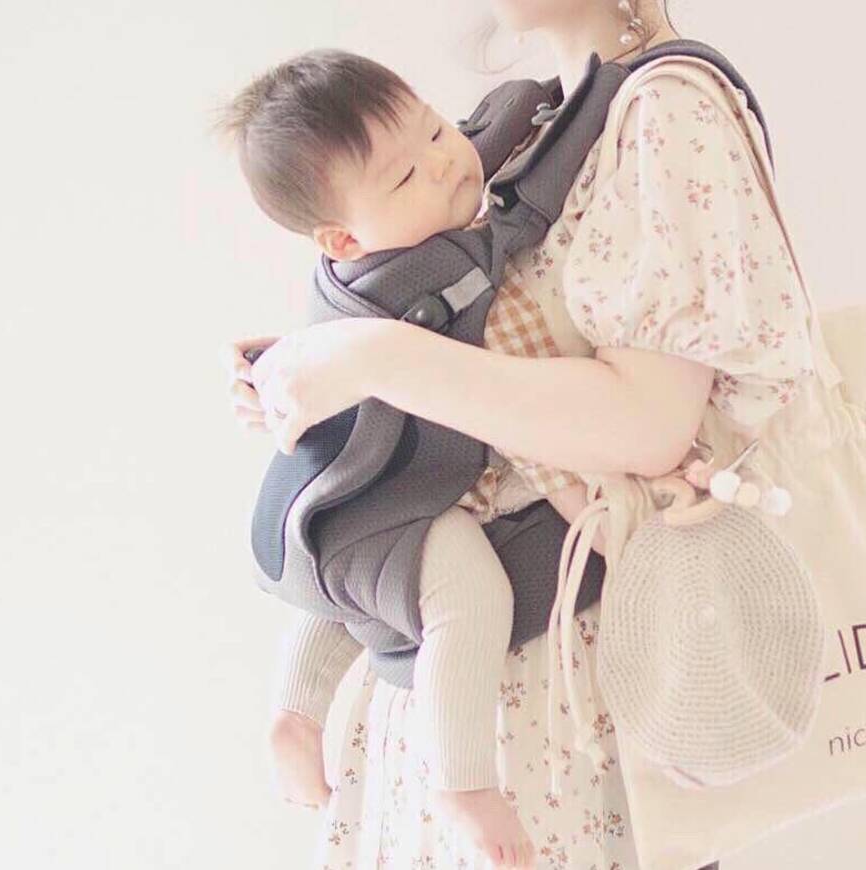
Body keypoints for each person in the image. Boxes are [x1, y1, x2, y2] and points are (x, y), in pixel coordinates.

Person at [223, 1, 809, 866]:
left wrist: (370, 358)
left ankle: (401, 757)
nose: (439, 160)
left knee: (401, 562)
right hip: (480, 701)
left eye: (432, 133)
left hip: (553, 701)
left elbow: (647, 426)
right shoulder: (540, 119)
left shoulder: (660, 109)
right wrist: (306, 372)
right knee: (359, 550)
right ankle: (299, 709)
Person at [214, 48, 612, 869]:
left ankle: (296, 713)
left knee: (362, 584)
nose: (440, 165)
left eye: (433, 129)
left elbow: (514, 125)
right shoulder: (393, 275)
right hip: (407, 498)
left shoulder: (427, 221)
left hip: (384, 496)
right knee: (463, 593)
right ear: (343, 238)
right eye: (402, 177)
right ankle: (461, 783)